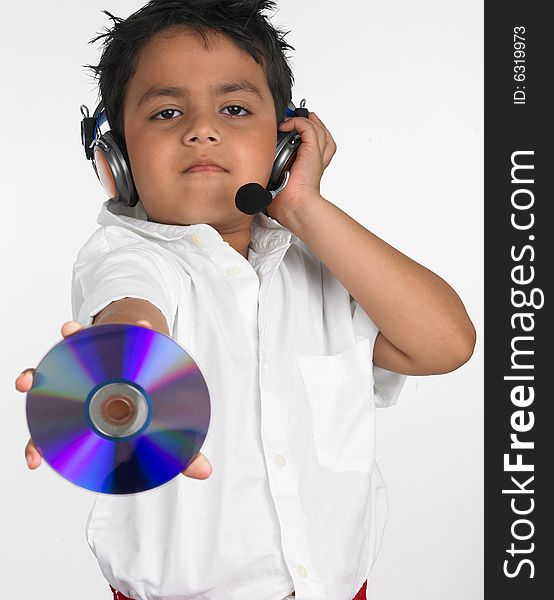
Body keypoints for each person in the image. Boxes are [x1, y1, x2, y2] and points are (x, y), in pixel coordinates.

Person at [15, 1, 476, 598]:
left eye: (235, 109)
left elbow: (446, 343)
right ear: (117, 159)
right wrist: (113, 373)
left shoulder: (328, 269)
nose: (200, 129)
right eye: (166, 111)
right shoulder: (128, 255)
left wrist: (304, 205)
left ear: (286, 144)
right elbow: (132, 313)